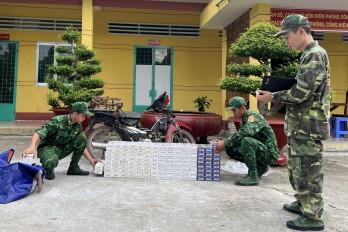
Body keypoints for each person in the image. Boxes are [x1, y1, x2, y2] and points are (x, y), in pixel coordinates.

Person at [256, 14, 330, 231]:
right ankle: (303, 203)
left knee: (308, 170)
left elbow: (302, 92)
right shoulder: (308, 55)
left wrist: (274, 96)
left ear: (300, 31)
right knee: (298, 168)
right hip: (302, 124)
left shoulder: (315, 55)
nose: (286, 41)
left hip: (309, 126)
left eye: (287, 36)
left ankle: (313, 216)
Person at [22, 102, 98, 180]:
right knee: (50, 162)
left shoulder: (78, 126)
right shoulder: (58, 121)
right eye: (82, 116)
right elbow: (39, 132)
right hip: (48, 148)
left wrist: (91, 160)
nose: (84, 118)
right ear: (75, 114)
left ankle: (73, 168)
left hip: (62, 148)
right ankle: (49, 170)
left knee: (82, 138)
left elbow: (81, 144)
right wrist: (32, 146)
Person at [214, 96, 280, 186]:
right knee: (230, 148)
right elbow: (238, 137)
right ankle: (261, 167)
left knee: (246, 141)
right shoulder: (244, 120)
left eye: (234, 110)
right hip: (261, 150)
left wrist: (226, 142)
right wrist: (224, 143)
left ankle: (253, 176)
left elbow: (245, 132)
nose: (233, 113)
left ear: (242, 108)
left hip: (270, 153)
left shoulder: (253, 116)